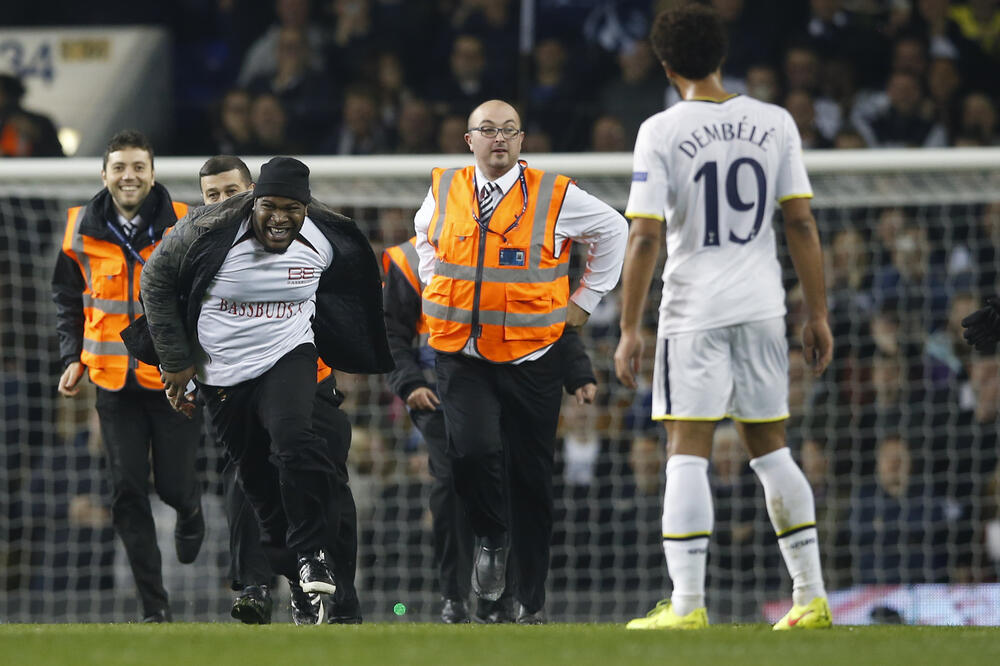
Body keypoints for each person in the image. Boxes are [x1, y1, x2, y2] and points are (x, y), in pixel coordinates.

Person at [613, 5, 834, 631]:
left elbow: (646, 237)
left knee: (687, 448)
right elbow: (800, 222)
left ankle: (686, 607)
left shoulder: (660, 130)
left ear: (664, 64)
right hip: (764, 306)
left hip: (695, 310)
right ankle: (810, 596)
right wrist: (815, 312)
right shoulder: (775, 121)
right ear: (721, 54)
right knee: (771, 447)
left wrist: (630, 327)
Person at [136, 156, 392, 624]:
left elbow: (352, 289)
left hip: (290, 356)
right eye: (269, 206)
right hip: (224, 373)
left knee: (295, 441)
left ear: (307, 207)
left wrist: (353, 348)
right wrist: (175, 362)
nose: (280, 217)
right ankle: (295, 578)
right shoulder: (205, 231)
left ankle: (316, 558)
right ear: (253, 202)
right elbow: (154, 279)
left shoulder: (327, 237)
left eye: (292, 207)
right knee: (255, 485)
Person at [414, 98, 627, 623]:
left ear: (522, 140)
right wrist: (432, 277)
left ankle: (529, 602)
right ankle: (490, 539)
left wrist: (585, 302)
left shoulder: (556, 194)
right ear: (470, 140)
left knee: (531, 479)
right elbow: (423, 235)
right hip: (460, 353)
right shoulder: (444, 187)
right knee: (469, 452)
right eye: (487, 130)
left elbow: (615, 229)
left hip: (533, 355)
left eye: (509, 130)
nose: (498, 138)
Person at [381, 235, 597, 623]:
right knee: (452, 479)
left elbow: (549, 318)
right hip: (437, 391)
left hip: (509, 386)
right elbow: (392, 332)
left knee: (513, 482)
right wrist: (409, 383)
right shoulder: (409, 260)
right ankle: (456, 594)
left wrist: (577, 371)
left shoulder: (515, 248)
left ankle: (503, 599)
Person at [195, 156, 363, 625]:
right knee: (250, 478)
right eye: (213, 195)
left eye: (232, 192)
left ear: (250, 191)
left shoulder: (316, 239)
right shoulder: (205, 246)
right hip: (241, 384)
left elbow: (349, 297)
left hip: (312, 379)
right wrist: (183, 368)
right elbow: (184, 306)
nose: (223, 202)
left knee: (328, 482)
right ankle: (260, 583)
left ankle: (339, 600)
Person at [51, 129, 203, 622]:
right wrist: (72, 354)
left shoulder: (185, 221)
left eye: (138, 166)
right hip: (111, 380)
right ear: (104, 174)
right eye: (119, 167)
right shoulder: (79, 227)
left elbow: (205, 295)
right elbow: (66, 296)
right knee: (127, 490)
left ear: (153, 173)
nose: (129, 175)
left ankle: (190, 511)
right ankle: (154, 608)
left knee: (175, 487)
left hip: (172, 377)